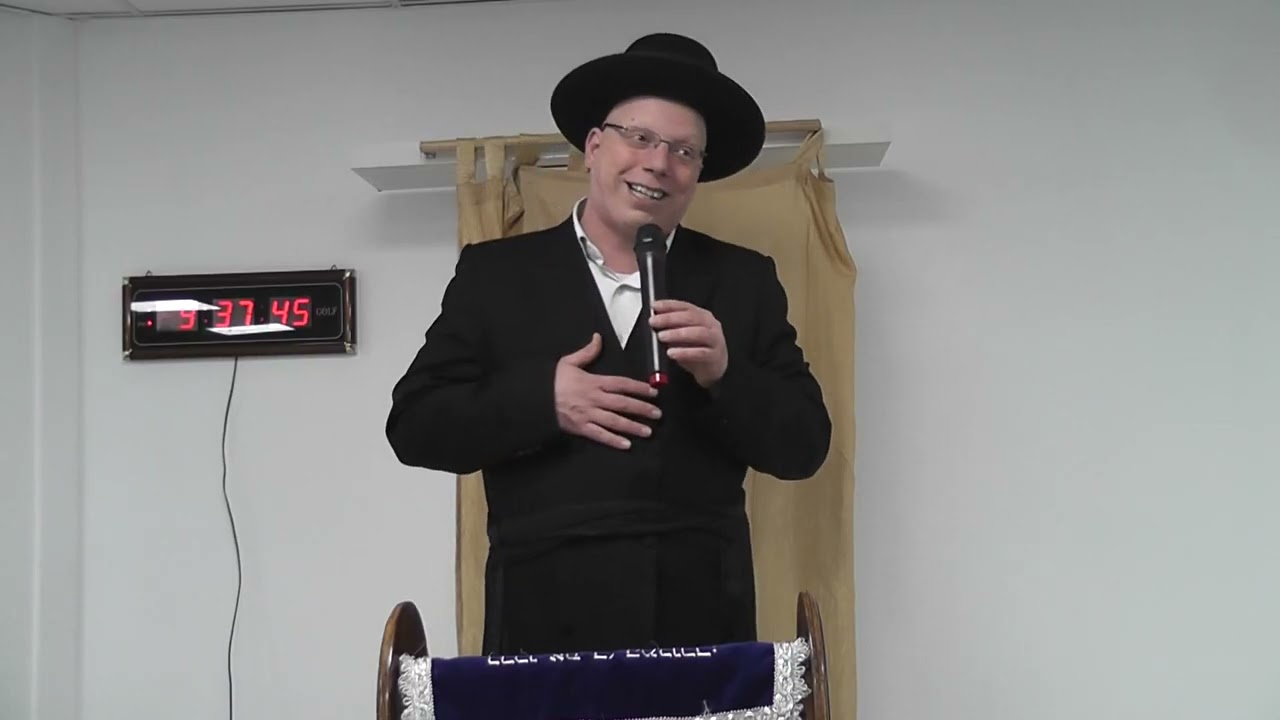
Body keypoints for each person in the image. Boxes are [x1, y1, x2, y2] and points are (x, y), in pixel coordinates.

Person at [385, 32, 832, 656]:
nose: (659, 163)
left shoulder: (742, 279)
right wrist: (543, 400)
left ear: (698, 173)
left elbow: (805, 446)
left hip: (700, 617)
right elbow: (414, 426)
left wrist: (726, 374)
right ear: (594, 147)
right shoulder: (497, 274)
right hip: (543, 619)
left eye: (684, 151)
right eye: (640, 138)